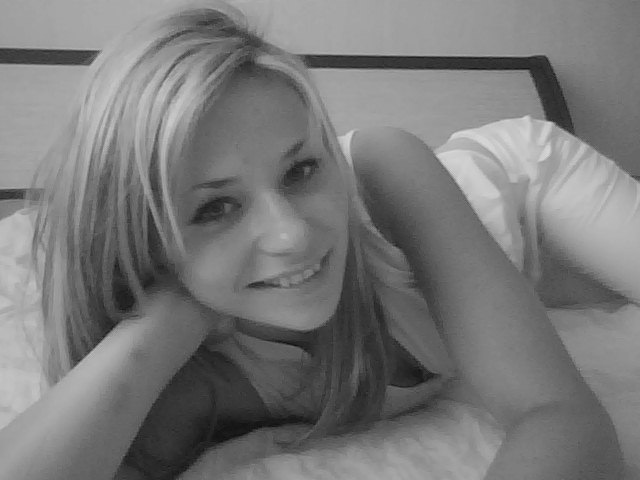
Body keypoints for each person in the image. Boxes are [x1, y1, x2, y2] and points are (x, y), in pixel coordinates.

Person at [0, 2, 636, 479]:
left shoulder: (385, 166)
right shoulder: (186, 380)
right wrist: (162, 324)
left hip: (532, 199)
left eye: (301, 169)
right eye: (215, 208)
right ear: (142, 239)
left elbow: (562, 416)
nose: (292, 233)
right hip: (531, 280)